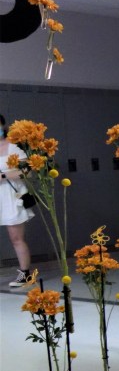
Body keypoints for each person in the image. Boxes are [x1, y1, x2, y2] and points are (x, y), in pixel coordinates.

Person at [0, 114, 34, 287]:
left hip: (11, 196)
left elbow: (27, 171)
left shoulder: (13, 146)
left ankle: (25, 274)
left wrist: (3, 176)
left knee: (16, 237)